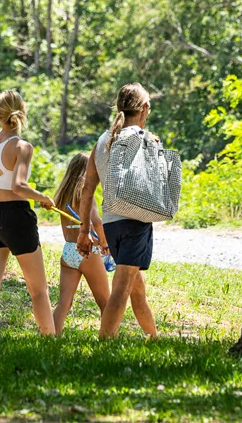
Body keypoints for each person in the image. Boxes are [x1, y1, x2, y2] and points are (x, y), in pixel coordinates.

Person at [0, 89, 57, 336]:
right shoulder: (22, 146)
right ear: (22, 112)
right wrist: (43, 198)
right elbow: (18, 186)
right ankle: (50, 339)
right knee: (39, 289)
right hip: (16, 217)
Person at [79, 83, 159, 340]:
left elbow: (87, 189)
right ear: (145, 108)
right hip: (136, 223)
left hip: (112, 225)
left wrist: (84, 231)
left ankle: (153, 337)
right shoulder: (145, 138)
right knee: (122, 288)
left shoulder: (103, 141)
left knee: (136, 289)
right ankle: (104, 342)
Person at [51, 152, 111, 334]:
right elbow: (97, 222)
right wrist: (105, 244)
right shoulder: (87, 196)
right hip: (87, 252)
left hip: (69, 251)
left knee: (63, 303)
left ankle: (50, 337)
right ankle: (110, 340)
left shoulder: (62, 197)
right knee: (106, 303)